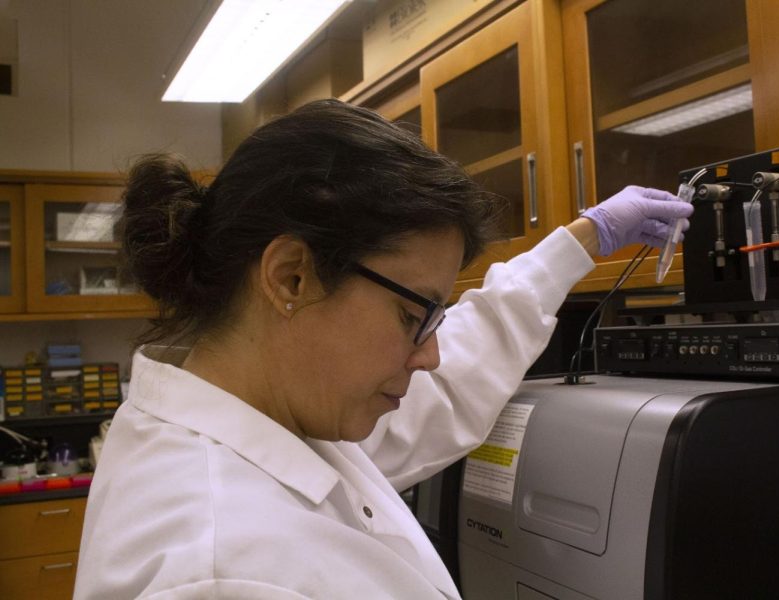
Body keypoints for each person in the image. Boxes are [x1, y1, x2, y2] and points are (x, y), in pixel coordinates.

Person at [73, 99, 692, 599]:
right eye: (411, 315)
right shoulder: (226, 572)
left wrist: (582, 241)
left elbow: (450, 384)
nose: (430, 356)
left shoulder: (275, 410)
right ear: (291, 277)